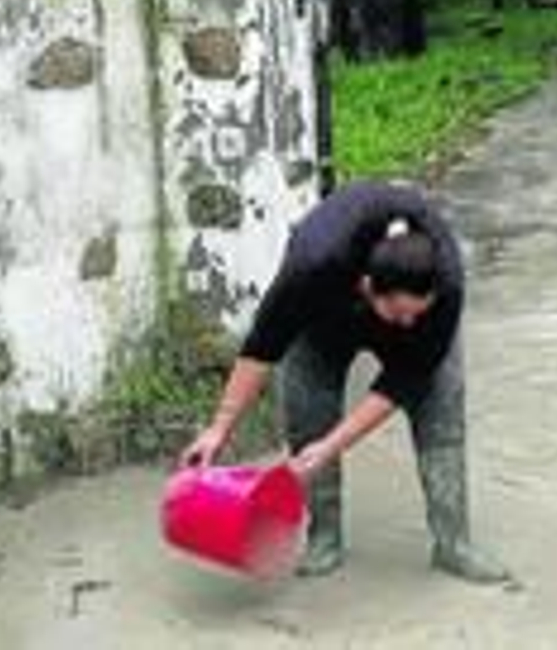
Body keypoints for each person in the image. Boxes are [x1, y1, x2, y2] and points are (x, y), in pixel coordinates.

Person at [178, 182, 510, 584]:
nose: (409, 323)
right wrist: (219, 428)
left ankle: (454, 544)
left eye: (416, 313)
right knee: (308, 417)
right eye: (400, 313)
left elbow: (405, 380)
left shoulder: (446, 284)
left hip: (402, 321)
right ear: (368, 288)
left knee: (441, 415)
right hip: (323, 324)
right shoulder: (312, 264)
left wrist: (334, 445)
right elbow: (264, 345)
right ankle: (325, 537)